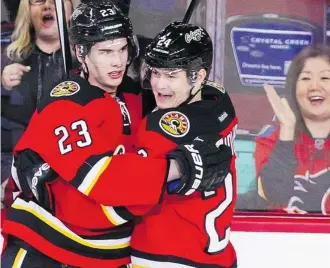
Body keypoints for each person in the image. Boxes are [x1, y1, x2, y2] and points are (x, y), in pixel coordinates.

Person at [1, 2, 231, 268]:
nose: (117, 61)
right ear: (81, 53)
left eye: (123, 49)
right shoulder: (65, 106)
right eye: (106, 51)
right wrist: (180, 166)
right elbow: (103, 180)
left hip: (109, 254)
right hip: (45, 248)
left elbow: (203, 98)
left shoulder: (132, 93)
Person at [129, 22, 238, 268]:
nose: (158, 85)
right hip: (218, 256)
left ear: (198, 75)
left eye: (171, 75)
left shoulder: (158, 127)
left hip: (163, 256)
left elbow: (131, 199)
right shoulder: (221, 103)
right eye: (155, 72)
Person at [1, 0, 74, 182]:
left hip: (69, 168)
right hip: (12, 169)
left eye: (56, 0)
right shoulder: (7, 58)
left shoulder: (87, 60)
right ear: (28, 12)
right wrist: (2, 84)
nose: (48, 5)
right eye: (38, 1)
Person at [255, 44, 330, 215]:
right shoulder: (272, 136)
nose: (315, 86)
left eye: (325, 78)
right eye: (305, 78)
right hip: (283, 238)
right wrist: (287, 132)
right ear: (293, 87)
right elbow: (275, 194)